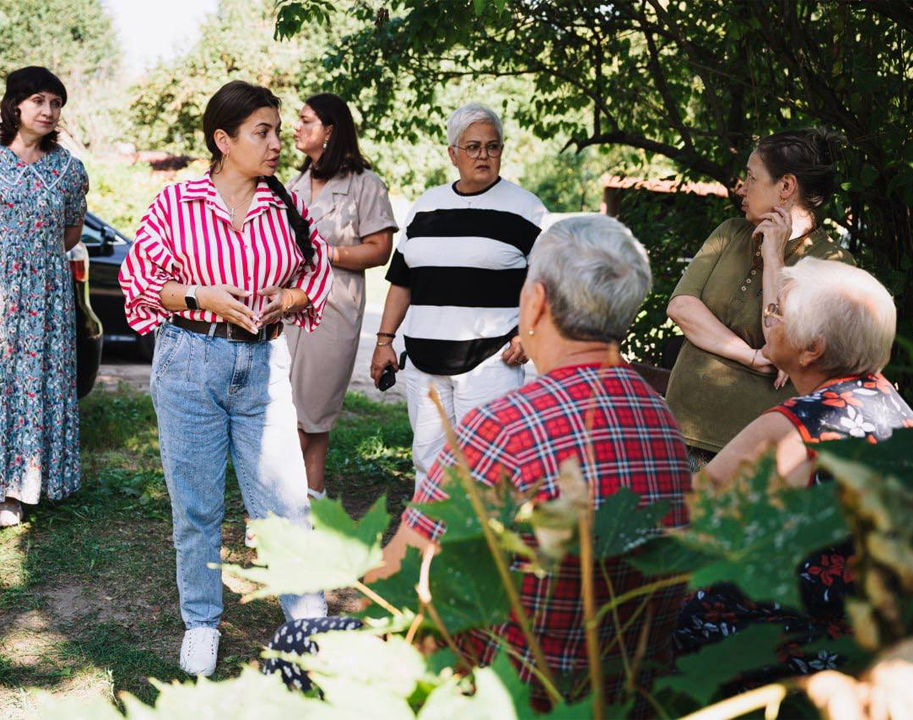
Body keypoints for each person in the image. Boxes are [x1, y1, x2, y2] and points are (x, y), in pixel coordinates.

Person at [267, 216, 691, 713]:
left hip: (509, 688)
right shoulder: (658, 414)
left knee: (295, 644)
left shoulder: (506, 426)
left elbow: (400, 579)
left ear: (534, 303)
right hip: (622, 684)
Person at [118, 81, 333, 677]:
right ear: (223, 139)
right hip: (191, 361)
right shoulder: (175, 203)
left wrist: (284, 299)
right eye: (261, 132)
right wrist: (198, 295)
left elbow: (317, 277)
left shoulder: (285, 205)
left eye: (275, 130)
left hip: (263, 366)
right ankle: (202, 625)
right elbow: (140, 283)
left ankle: (307, 625)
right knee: (197, 507)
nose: (275, 143)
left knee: (285, 503)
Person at [676, 258, 913, 685]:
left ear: (812, 348)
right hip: (860, 651)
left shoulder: (799, 425)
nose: (767, 317)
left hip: (772, 653)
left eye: (776, 312)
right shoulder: (894, 407)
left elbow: (691, 510)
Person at [371, 102, 546, 491]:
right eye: (472, 147)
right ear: (453, 153)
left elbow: (550, 284)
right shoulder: (426, 206)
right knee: (429, 462)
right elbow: (402, 280)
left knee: (486, 467)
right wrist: (384, 341)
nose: (483, 155)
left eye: (492, 146)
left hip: (490, 362)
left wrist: (529, 333)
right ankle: (428, 546)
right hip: (423, 362)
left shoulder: (526, 209)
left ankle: (481, 549)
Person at [665, 129, 854, 470]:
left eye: (752, 178)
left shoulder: (831, 264)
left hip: (751, 454)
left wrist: (774, 261)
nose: (742, 187)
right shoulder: (729, 232)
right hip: (676, 430)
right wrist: (752, 356)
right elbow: (681, 307)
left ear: (785, 187)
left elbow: (782, 340)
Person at [0, 66, 89, 528]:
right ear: (15, 104)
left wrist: (30, 255)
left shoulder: (69, 169)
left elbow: (71, 231)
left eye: (56, 103)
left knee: (30, 386)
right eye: (39, 101)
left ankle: (15, 489)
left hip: (41, 297)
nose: (49, 111)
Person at [284, 93, 398, 499]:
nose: (295, 127)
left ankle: (276, 506)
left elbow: (380, 249)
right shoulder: (292, 185)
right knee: (294, 414)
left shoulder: (364, 185)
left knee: (312, 413)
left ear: (329, 130)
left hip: (333, 312)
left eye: (305, 120)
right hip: (287, 310)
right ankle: (309, 502)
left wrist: (327, 252)